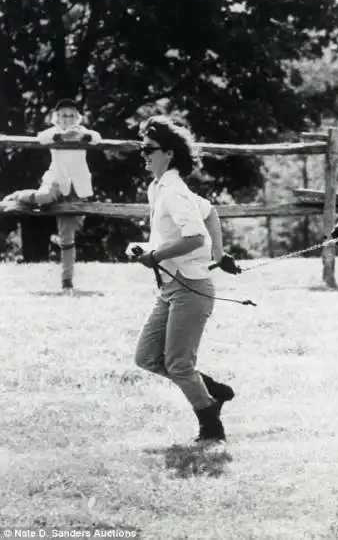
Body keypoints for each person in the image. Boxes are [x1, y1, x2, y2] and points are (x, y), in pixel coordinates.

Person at [128, 114, 239, 443]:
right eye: (142, 149)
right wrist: (219, 256)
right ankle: (211, 390)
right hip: (172, 287)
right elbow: (209, 212)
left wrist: (156, 256)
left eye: (149, 149)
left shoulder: (173, 191)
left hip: (190, 289)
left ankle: (211, 424)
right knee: (146, 357)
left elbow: (195, 237)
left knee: (177, 364)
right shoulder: (159, 188)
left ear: (169, 153)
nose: (144, 155)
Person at [2, 98, 102, 291]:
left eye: (72, 115)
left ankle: (67, 280)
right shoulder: (53, 132)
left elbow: (96, 137)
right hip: (56, 179)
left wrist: (82, 136)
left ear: (77, 117)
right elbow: (42, 137)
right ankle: (18, 195)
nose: (68, 119)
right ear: (58, 118)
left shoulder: (83, 132)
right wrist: (62, 136)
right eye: (64, 115)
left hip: (76, 187)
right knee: (44, 197)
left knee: (67, 234)